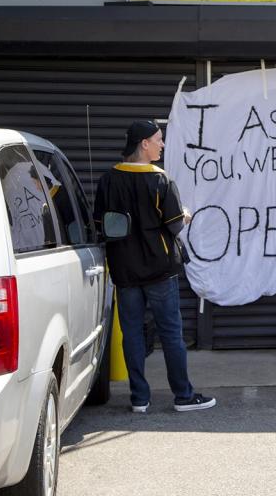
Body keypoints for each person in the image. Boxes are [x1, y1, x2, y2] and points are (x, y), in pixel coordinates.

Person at [94, 119, 216, 414]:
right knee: (171, 333)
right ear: (143, 144)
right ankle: (183, 396)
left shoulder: (109, 179)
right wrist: (184, 214)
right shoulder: (161, 180)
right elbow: (174, 226)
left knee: (132, 333)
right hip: (160, 270)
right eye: (158, 139)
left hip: (124, 270)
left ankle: (139, 399)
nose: (162, 144)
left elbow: (100, 223)